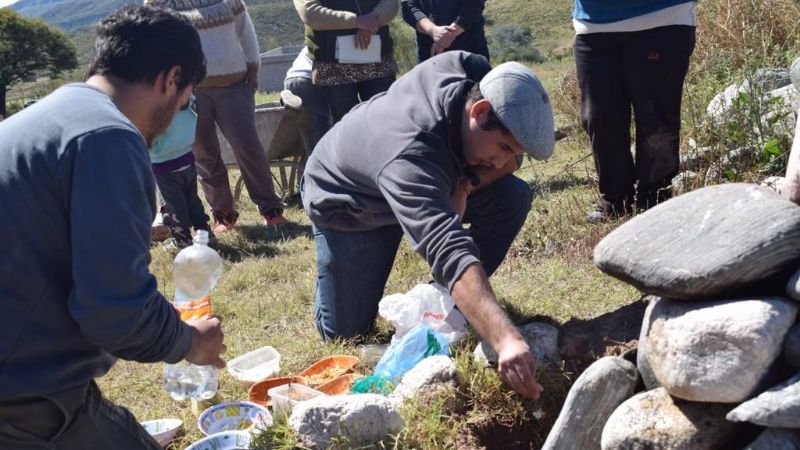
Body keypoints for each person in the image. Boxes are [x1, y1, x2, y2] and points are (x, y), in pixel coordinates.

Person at [0, 6, 226, 449]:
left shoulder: (48, 118)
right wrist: (188, 341)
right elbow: (114, 312)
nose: (177, 116)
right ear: (171, 79)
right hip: (22, 397)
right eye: (185, 101)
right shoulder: (109, 136)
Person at [302, 51, 555, 399]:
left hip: (422, 179)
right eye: (502, 148)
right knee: (346, 333)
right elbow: (447, 247)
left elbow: (508, 165)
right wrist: (506, 339)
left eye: (511, 152)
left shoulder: (475, 75)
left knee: (512, 196)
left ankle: (441, 305)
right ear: (479, 112)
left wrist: (464, 184)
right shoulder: (411, 152)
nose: (501, 161)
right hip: (350, 203)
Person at [145, 0, 289, 233]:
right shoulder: (159, 3)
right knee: (204, 154)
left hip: (234, 86)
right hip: (189, 90)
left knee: (248, 147)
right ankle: (223, 215)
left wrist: (254, 66)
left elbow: (245, 30)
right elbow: (154, 41)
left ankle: (271, 209)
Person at [573, 0, 697, 222]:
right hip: (592, 24)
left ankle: (655, 199)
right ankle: (616, 199)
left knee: (655, 118)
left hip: (663, 17)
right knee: (598, 117)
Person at [294, 0, 398, 123]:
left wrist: (372, 22)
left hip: (378, 61)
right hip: (333, 66)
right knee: (344, 126)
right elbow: (309, 13)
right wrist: (356, 22)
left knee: (386, 120)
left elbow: (390, 3)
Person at [150, 93, 215, 248]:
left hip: (164, 163)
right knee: (192, 200)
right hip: (186, 156)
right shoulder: (187, 94)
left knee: (174, 206)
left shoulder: (154, 100)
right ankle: (204, 233)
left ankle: (182, 239)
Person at [401, 0, 489, 63]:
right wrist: (433, 31)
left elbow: (475, 4)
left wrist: (444, 36)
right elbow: (408, 7)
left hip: (469, 52)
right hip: (428, 55)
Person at [284, 46, 333, 142]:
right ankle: (322, 154)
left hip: (290, 80)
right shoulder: (327, 41)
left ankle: (312, 147)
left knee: (311, 121)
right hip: (307, 80)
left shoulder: (311, 42)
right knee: (322, 123)